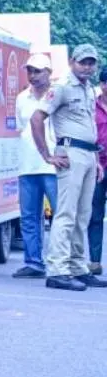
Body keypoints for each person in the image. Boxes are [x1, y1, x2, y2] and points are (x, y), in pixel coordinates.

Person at [30, 44, 107, 292]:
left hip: (88, 154)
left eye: (91, 63)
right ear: (72, 61)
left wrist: (96, 160)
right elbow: (37, 118)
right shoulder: (62, 86)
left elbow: (89, 127)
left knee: (83, 215)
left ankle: (77, 266)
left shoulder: (88, 89)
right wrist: (47, 155)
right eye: (83, 62)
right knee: (66, 214)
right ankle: (57, 270)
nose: (87, 67)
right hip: (70, 153)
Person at [12, 53, 58, 279]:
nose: (33, 75)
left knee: (60, 216)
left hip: (54, 167)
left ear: (49, 72)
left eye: (38, 71)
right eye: (30, 71)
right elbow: (21, 128)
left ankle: (60, 262)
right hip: (27, 165)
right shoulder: (22, 98)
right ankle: (33, 262)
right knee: (29, 217)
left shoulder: (57, 95)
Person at [89, 67, 107, 276]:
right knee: (95, 214)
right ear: (102, 85)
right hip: (97, 164)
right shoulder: (91, 106)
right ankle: (94, 262)